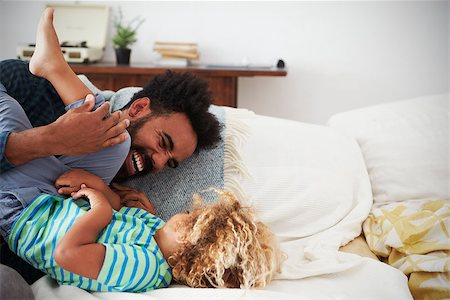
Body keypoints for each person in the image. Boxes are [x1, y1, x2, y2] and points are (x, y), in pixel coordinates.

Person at [1, 8, 280, 292]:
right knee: (118, 140)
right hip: (44, 199)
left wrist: (100, 203)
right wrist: (60, 148)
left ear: (191, 248)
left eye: (169, 162)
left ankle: (52, 67)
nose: (158, 162)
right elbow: (111, 208)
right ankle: (52, 66)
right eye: (163, 142)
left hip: (26, 212)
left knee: (14, 113)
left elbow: (78, 243)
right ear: (137, 109)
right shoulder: (29, 89)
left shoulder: (148, 261)